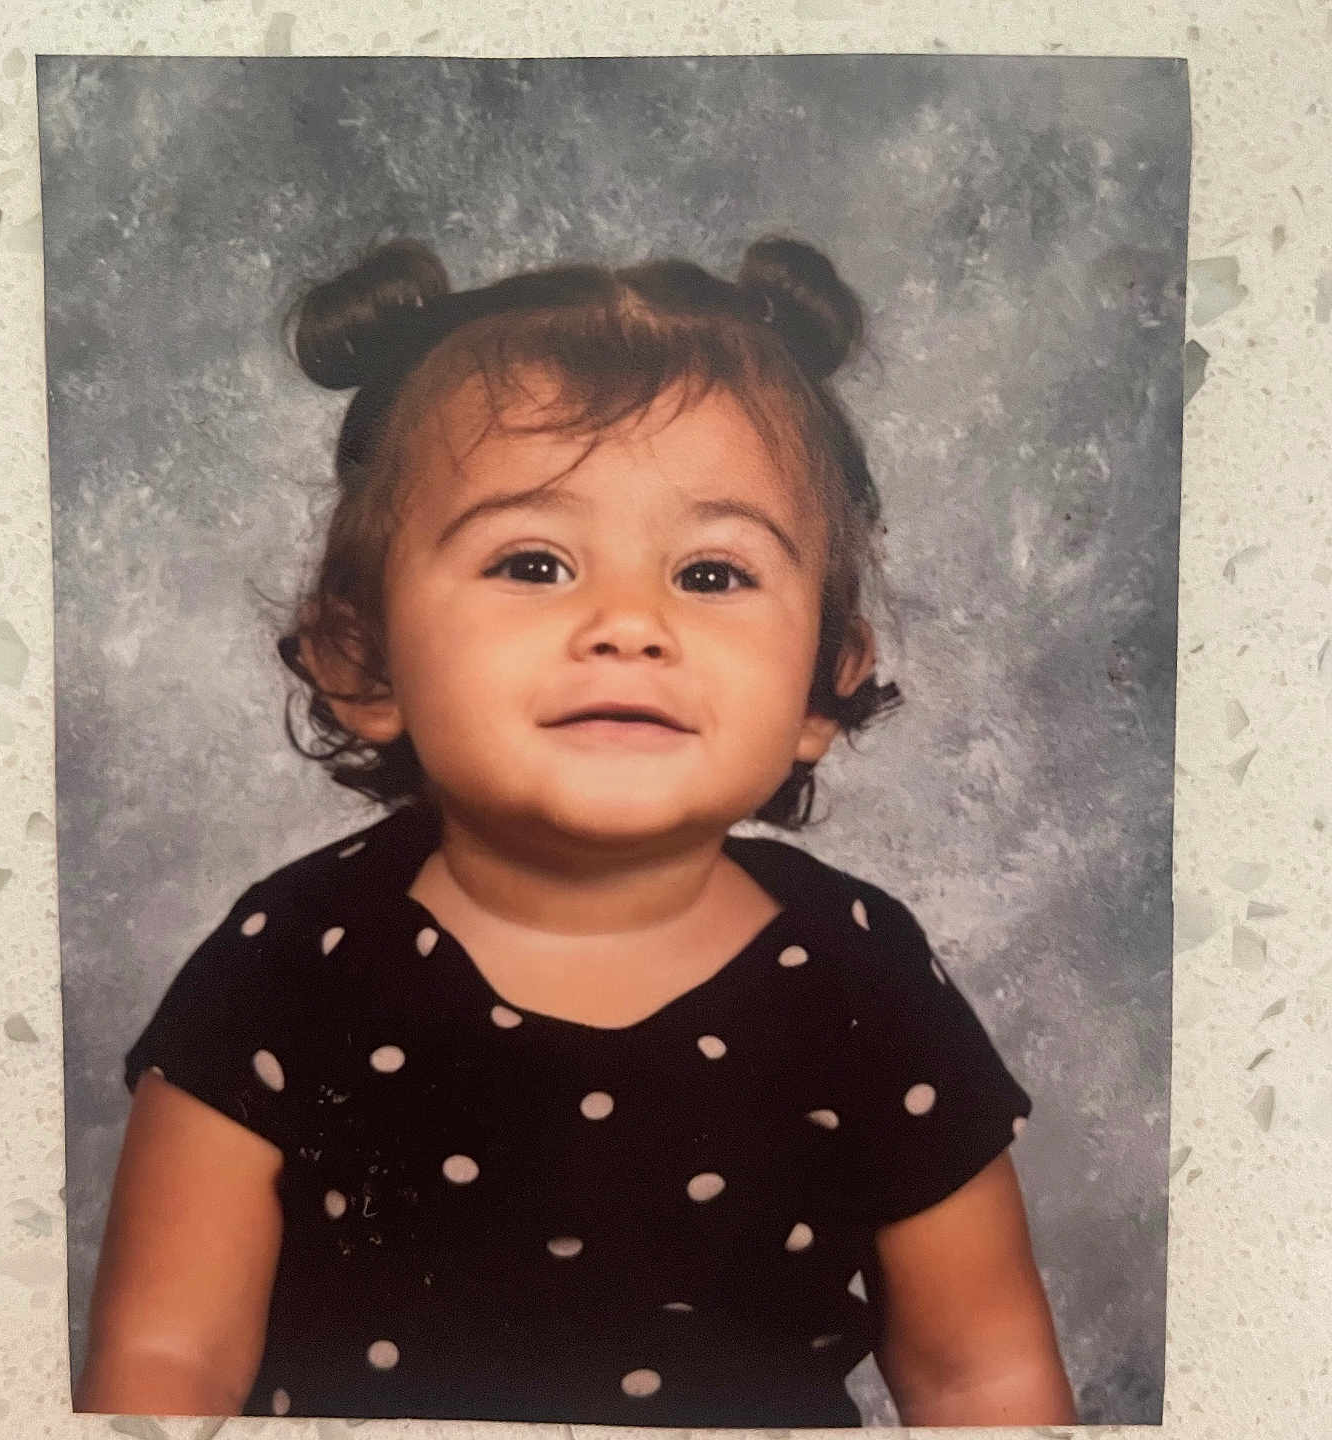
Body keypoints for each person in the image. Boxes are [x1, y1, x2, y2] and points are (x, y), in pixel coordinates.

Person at [74, 235, 1076, 1426]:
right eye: (534, 562)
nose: (627, 624)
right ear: (360, 654)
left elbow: (983, 1375)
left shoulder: (860, 978)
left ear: (822, 682)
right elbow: (165, 1364)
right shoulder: (294, 956)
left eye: (711, 576)